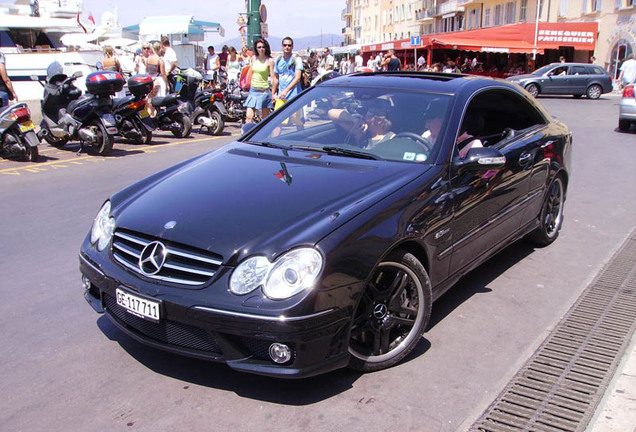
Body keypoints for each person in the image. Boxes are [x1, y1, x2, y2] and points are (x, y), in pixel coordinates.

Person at [328, 100, 395, 149]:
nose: (364, 117)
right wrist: (353, 119)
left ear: (379, 121)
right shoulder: (361, 130)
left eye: (369, 115)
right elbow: (331, 112)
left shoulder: (392, 139)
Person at [244, 38, 275, 123]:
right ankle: (247, 135)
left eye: (263, 47)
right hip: (253, 90)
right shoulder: (253, 58)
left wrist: (273, 93)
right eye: (259, 47)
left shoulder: (270, 61)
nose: (261, 49)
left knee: (265, 120)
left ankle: (265, 135)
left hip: (264, 91)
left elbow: (273, 77)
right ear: (256, 48)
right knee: (249, 117)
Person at [272, 37, 303, 105]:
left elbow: (297, 78)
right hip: (281, 97)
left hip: (294, 96)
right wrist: (273, 93)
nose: (287, 47)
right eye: (285, 45)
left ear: (292, 47)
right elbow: (276, 78)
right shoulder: (278, 60)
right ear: (282, 46)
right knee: (279, 115)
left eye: (289, 45)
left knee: (295, 116)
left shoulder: (297, 60)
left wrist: (286, 91)